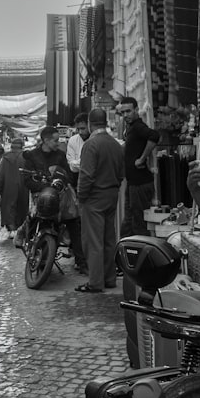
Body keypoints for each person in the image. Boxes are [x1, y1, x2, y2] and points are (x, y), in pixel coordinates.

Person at [22, 126, 84, 273]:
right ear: (46, 140)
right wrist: (44, 185)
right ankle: (28, 242)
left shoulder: (60, 156)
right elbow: (27, 180)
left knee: (73, 222)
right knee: (32, 221)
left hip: (59, 197)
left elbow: (68, 175)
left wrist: (61, 182)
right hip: (39, 197)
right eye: (55, 140)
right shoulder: (32, 156)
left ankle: (81, 261)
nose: (58, 143)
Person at [76, 108, 125, 293]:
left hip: (94, 197)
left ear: (90, 123)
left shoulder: (91, 144)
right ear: (104, 123)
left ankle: (95, 282)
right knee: (108, 238)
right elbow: (121, 173)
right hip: (111, 195)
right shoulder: (115, 144)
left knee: (93, 241)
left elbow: (86, 175)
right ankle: (109, 278)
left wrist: (81, 198)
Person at [118, 96, 160, 237]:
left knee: (139, 225)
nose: (125, 115)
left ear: (136, 110)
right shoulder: (131, 128)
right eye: (123, 112)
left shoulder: (138, 126)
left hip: (140, 184)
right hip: (133, 184)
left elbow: (154, 136)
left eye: (128, 111)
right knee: (129, 224)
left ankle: (140, 256)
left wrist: (142, 159)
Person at [0, 136, 29, 239]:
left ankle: (12, 229)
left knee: (9, 208)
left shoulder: (6, 158)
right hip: (23, 187)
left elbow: (0, 174)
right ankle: (19, 228)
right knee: (21, 207)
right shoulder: (26, 158)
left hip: (8, 187)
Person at [66, 113, 90, 189]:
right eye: (78, 129)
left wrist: (77, 163)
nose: (80, 132)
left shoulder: (96, 140)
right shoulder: (73, 140)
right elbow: (72, 167)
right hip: (76, 179)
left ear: (90, 126)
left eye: (83, 129)